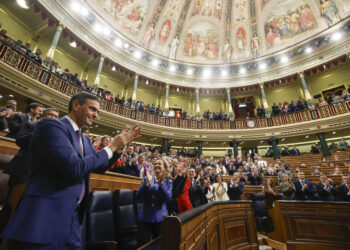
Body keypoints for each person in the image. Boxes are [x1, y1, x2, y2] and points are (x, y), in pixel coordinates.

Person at [2, 92, 142, 249]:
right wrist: (112, 146)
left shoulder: (83, 139)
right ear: (76, 105)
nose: (96, 115)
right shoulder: (51, 126)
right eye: (92, 109)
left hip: (74, 219)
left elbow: (98, 165)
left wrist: (117, 149)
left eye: (98, 112)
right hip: (45, 219)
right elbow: (74, 168)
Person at [136, 157, 172, 246]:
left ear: (164, 167)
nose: (157, 165)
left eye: (159, 164)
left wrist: (161, 184)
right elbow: (138, 197)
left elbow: (168, 199)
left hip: (159, 217)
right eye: (155, 164)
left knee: (159, 245)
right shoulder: (147, 179)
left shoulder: (168, 182)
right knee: (143, 244)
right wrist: (146, 184)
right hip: (144, 217)